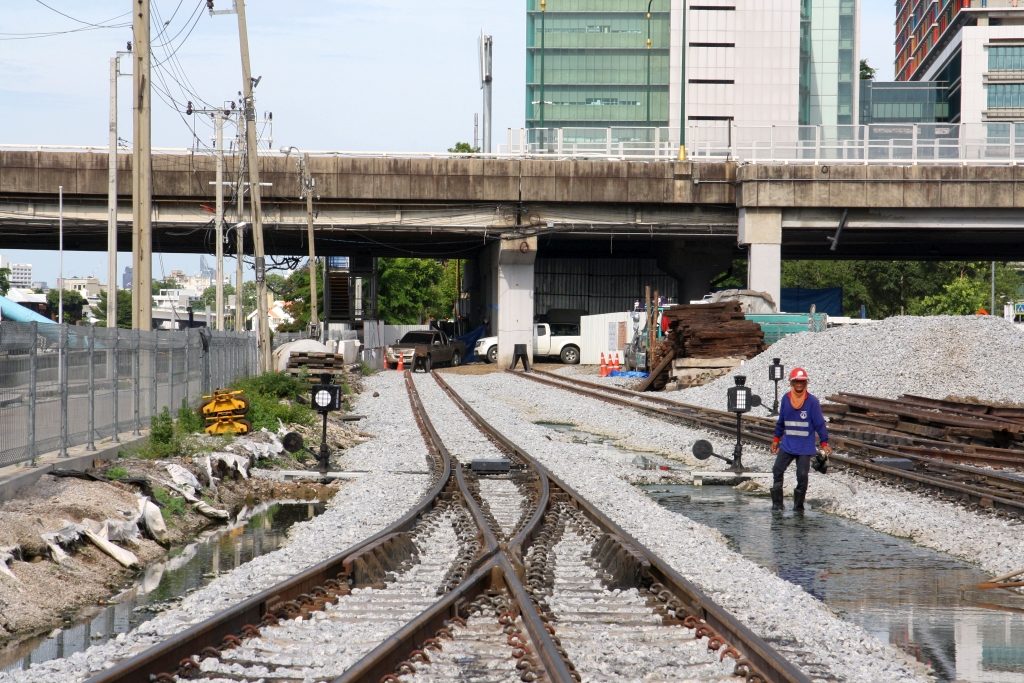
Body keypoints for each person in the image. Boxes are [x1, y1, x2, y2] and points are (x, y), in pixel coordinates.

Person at [770, 367, 831, 512]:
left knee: (802, 475)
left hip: (804, 446)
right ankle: (777, 505)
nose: (799, 384)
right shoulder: (786, 399)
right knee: (777, 469)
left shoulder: (812, 401)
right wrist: (776, 439)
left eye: (802, 382)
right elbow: (781, 422)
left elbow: (819, 423)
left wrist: (824, 442)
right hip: (788, 444)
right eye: (796, 381)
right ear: (791, 383)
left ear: (806, 383)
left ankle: (798, 507)